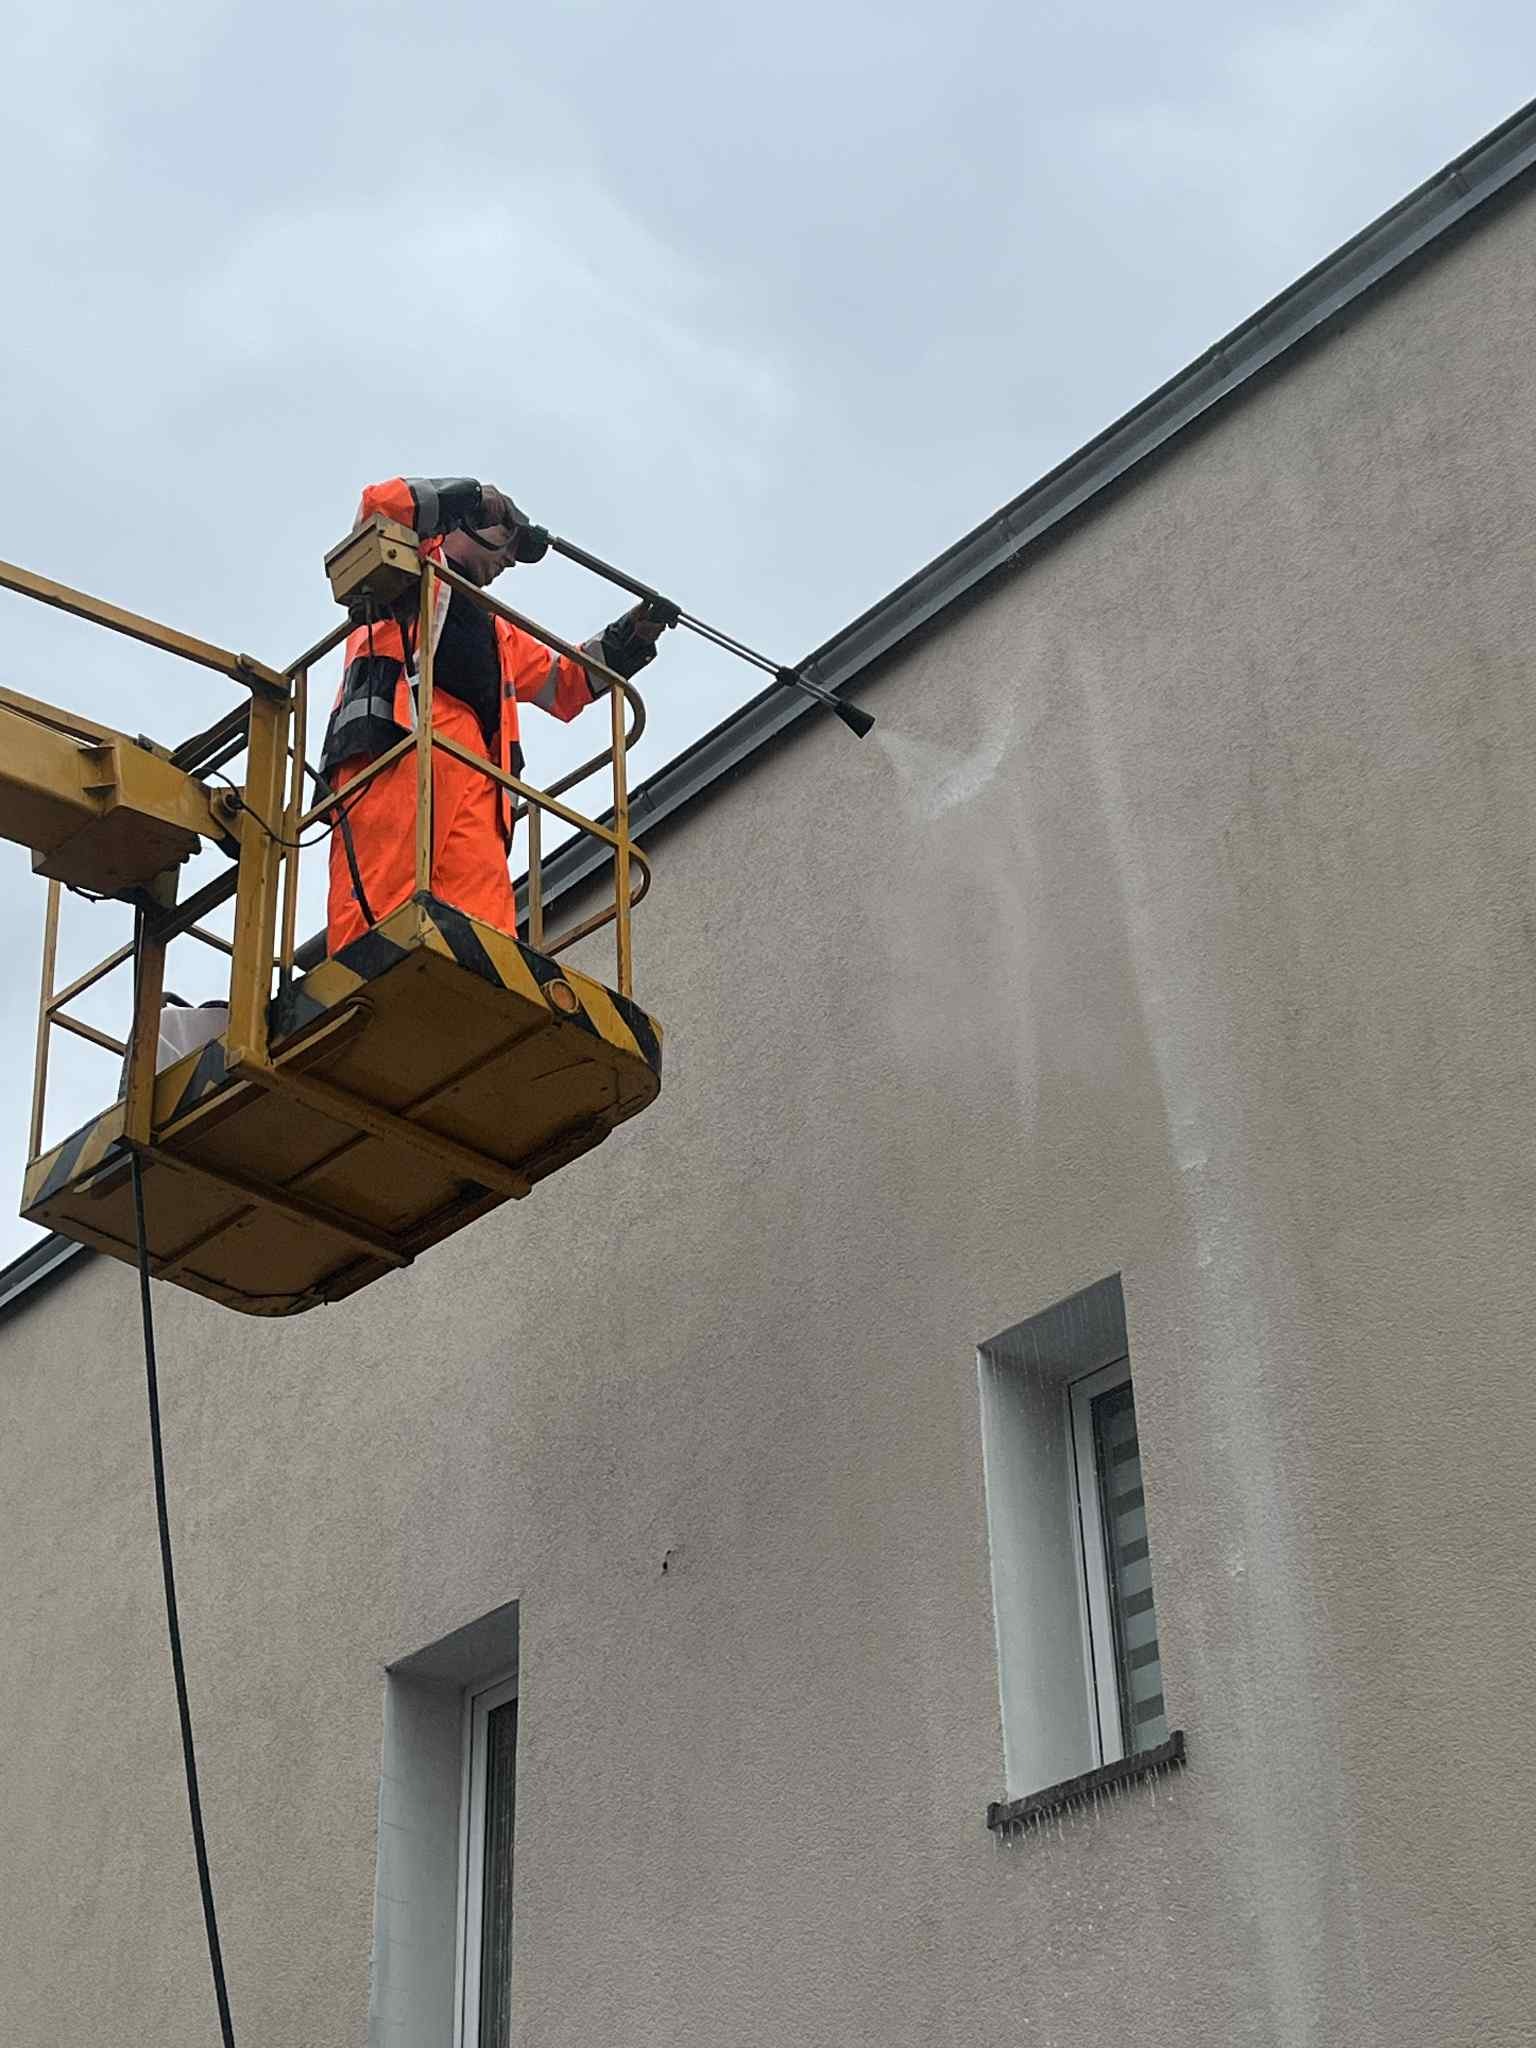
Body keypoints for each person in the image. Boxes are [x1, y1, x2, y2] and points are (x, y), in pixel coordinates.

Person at [318, 475, 671, 953]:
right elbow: (379, 507)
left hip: (478, 781)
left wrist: (633, 635)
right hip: (397, 755)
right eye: (508, 543)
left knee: (485, 934)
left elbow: (565, 681)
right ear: (469, 526)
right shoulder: (402, 572)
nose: (509, 560)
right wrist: (469, 494)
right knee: (381, 913)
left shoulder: (496, 630)